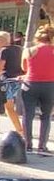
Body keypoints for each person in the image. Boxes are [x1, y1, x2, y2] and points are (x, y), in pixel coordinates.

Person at [22, 25, 54, 154]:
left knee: (27, 115)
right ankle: (42, 146)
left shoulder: (29, 50)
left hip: (30, 84)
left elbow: (24, 68)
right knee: (46, 116)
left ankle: (28, 145)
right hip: (50, 85)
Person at [0, 31, 25, 136]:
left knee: (7, 106)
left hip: (7, 81)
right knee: (7, 106)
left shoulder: (3, 50)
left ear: (2, 40)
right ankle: (20, 129)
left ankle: (19, 129)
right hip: (20, 80)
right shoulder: (20, 49)